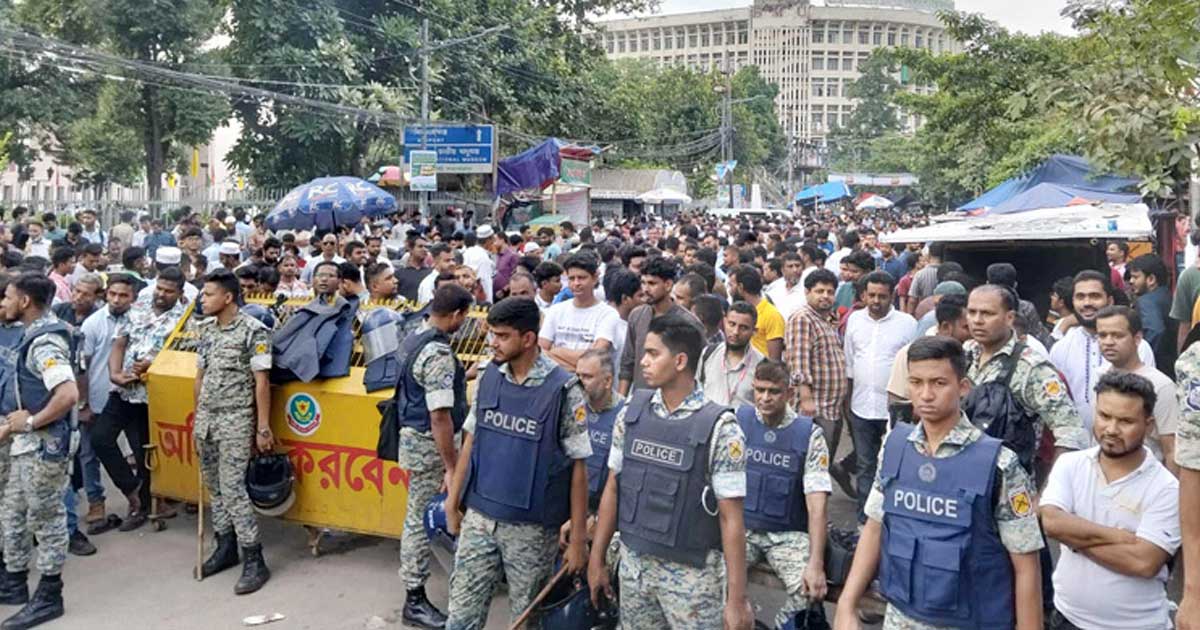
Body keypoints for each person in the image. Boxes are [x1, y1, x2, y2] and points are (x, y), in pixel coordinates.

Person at [833, 336, 1044, 630]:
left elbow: (1026, 564)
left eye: (939, 383)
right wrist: (847, 602)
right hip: (900, 617)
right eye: (916, 383)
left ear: (963, 387)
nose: (926, 394)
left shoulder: (1000, 464)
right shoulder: (894, 448)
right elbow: (874, 527)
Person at [587, 313, 753, 629]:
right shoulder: (631, 413)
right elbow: (613, 486)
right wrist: (597, 560)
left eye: (652, 354)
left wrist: (736, 599)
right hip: (635, 571)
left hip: (693, 581)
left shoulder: (720, 427)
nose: (643, 362)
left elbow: (732, 518)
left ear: (679, 361)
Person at [442, 297, 590, 629]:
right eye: (491, 334)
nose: (493, 342)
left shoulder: (564, 389)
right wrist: (453, 503)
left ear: (528, 339)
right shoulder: (488, 376)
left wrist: (578, 540)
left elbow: (579, 468)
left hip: (532, 530)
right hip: (480, 518)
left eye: (502, 335)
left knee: (525, 618)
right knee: (461, 615)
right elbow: (471, 441)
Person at [1040, 371, 1179, 630]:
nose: (1111, 429)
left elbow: (1143, 562)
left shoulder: (1167, 488)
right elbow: (1051, 522)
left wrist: (1074, 539)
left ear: (1148, 425)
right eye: (1104, 416)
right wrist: (1117, 536)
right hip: (1066, 619)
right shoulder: (1070, 464)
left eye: (1126, 421)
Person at [0, 273, 80, 629]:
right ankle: (14, 582)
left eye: (6, 297)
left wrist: (31, 422)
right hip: (26, 444)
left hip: (45, 446)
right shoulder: (34, 334)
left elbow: (67, 394)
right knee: (14, 512)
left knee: (46, 520)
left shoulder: (45, 342)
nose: (2, 303)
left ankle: (50, 595)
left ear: (25, 302)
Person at [394, 284, 473, 629]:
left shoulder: (416, 335)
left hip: (413, 439)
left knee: (420, 513)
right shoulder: (438, 354)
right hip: (431, 445)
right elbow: (439, 415)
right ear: (456, 315)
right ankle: (414, 598)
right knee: (419, 519)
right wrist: (451, 466)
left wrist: (460, 375)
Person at [193, 268, 274, 595]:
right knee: (214, 486)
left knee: (232, 486)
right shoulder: (207, 331)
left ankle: (254, 556)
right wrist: (196, 417)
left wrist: (263, 427)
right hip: (207, 420)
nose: (202, 298)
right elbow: (200, 377)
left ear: (228, 297)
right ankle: (225, 546)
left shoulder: (254, 331)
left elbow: (262, 383)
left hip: (236, 419)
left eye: (208, 294)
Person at [94, 267, 189, 532]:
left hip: (154, 397)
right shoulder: (136, 310)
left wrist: (153, 364)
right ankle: (132, 489)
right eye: (159, 288)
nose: (161, 294)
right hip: (124, 389)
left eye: (169, 291)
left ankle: (142, 506)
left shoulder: (185, 321)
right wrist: (114, 373)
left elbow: (183, 359)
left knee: (145, 452)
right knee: (100, 438)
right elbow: (119, 344)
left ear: (179, 293)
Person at [738, 360, 830, 629]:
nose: (765, 398)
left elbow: (817, 506)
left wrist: (816, 563)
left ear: (789, 393)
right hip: (743, 530)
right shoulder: (738, 423)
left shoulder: (809, 435)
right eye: (760, 390)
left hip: (788, 536)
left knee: (808, 595)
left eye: (773, 391)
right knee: (711, 582)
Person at [843, 270, 916, 522]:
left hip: (895, 410)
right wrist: (847, 403)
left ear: (892, 295)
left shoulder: (907, 324)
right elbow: (850, 363)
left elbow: (913, 366)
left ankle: (892, 519)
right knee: (865, 465)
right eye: (871, 295)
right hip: (861, 406)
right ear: (863, 295)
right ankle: (865, 520)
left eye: (882, 296)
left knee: (894, 464)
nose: (875, 301)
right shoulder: (854, 321)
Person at [1050, 271, 1156, 433]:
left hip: (1124, 443)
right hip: (1076, 445)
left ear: (1110, 300)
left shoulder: (1138, 347)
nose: (1086, 303)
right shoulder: (1061, 348)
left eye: (1094, 296)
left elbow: (1148, 402)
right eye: (1080, 297)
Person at [784, 268, 853, 496]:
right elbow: (799, 360)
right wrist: (806, 399)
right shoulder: (803, 318)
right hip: (815, 408)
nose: (825, 296)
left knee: (821, 464)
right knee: (811, 469)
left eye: (830, 292)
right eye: (819, 291)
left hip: (831, 406)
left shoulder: (825, 319)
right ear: (807, 293)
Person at [1093, 305, 1179, 474]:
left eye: (1117, 335)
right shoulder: (1100, 377)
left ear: (1137, 338)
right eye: (1102, 335)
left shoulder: (1161, 386)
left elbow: (1171, 449)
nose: (1108, 342)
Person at [618, 256, 702, 394]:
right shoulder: (637, 316)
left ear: (668, 285)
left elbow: (697, 371)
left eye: (652, 283)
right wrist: (622, 402)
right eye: (643, 283)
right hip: (640, 400)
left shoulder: (688, 323)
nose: (645, 289)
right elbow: (627, 363)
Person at [538, 252, 620, 372]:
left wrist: (557, 351)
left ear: (595, 278)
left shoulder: (608, 314)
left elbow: (595, 359)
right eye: (571, 278)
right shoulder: (555, 311)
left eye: (582, 278)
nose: (576, 283)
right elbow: (540, 353)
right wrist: (578, 365)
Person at [574, 348, 624, 512]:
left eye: (587, 377)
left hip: (599, 510)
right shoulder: (571, 406)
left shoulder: (625, 415)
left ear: (608, 381)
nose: (579, 383)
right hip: (566, 502)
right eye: (578, 376)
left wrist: (596, 518)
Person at [698, 302, 763, 408]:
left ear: (754, 331)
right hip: (708, 422)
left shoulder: (761, 364)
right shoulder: (708, 354)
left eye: (744, 328)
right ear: (724, 322)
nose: (736, 332)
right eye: (732, 324)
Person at [1127, 254, 1175, 378]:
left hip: (1156, 370)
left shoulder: (1146, 301)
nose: (1131, 281)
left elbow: (1155, 330)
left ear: (1151, 279)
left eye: (1135, 277)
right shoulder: (1168, 296)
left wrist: (1139, 357)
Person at [726, 264, 784, 360]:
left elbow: (774, 360)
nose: (730, 290)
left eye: (731, 285)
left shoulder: (771, 315)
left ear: (740, 287)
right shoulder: (735, 312)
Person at [766, 252, 806, 321]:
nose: (795, 270)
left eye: (797, 266)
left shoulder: (807, 289)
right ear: (782, 270)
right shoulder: (774, 288)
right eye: (790, 266)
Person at [460, 226, 495, 304]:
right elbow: (485, 282)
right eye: (493, 239)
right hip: (480, 301)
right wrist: (488, 303)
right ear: (489, 239)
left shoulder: (468, 252)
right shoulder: (483, 257)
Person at [395, 233, 431, 303]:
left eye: (426, 247)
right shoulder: (399, 274)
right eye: (420, 246)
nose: (425, 249)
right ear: (410, 249)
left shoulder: (432, 274)